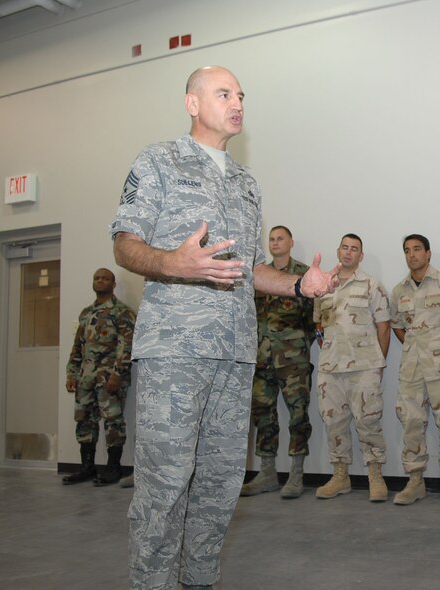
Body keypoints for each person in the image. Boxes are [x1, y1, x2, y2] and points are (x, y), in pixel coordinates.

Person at [110, 65, 339, 590]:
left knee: (218, 482)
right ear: (192, 104)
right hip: (175, 349)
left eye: (240, 95)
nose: (236, 102)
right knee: (165, 483)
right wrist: (175, 263)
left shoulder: (245, 182)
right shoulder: (159, 161)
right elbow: (124, 243)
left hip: (236, 353)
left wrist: (299, 287)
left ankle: (199, 580)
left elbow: (249, 267)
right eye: (223, 93)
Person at [389, 234, 440, 507]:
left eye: (416, 249)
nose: (412, 255)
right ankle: (415, 481)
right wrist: (415, 348)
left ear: (428, 253)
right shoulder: (399, 290)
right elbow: (398, 326)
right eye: (407, 251)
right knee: (411, 422)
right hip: (411, 370)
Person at [312, 234, 391, 502]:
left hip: (364, 366)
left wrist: (378, 363)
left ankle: (375, 476)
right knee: (334, 422)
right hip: (330, 368)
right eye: (344, 247)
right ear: (338, 251)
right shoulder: (323, 286)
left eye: (354, 249)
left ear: (360, 256)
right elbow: (319, 326)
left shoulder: (371, 285)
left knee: (368, 421)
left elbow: (383, 326)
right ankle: (340, 476)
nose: (348, 252)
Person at [241, 225, 316, 498]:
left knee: (298, 416)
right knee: (263, 415)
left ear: (291, 242)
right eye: (271, 239)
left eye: (280, 238)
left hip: (293, 359)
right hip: (262, 359)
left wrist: (298, 344)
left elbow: (313, 318)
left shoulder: (304, 274)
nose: (275, 242)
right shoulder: (259, 275)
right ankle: (268, 473)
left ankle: (296, 475)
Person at [63, 268, 135, 486]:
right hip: (86, 379)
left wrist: (118, 374)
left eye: (105, 278)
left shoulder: (122, 312)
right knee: (84, 421)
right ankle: (87, 467)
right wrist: (71, 373)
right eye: (96, 278)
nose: (100, 281)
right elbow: (78, 347)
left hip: (109, 379)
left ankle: (114, 468)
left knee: (113, 421)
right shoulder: (86, 313)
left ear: (113, 284)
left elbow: (127, 346)